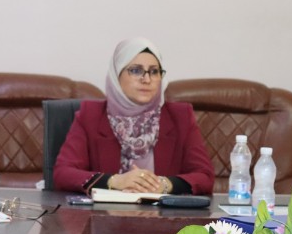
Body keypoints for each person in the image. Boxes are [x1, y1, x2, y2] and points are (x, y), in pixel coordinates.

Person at [53, 37, 214, 195]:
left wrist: (163, 185)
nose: (146, 79)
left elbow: (204, 176)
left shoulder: (180, 116)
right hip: (105, 212)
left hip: (163, 211)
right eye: (136, 70)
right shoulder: (91, 115)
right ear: (117, 75)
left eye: (154, 71)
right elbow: (63, 173)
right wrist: (115, 181)